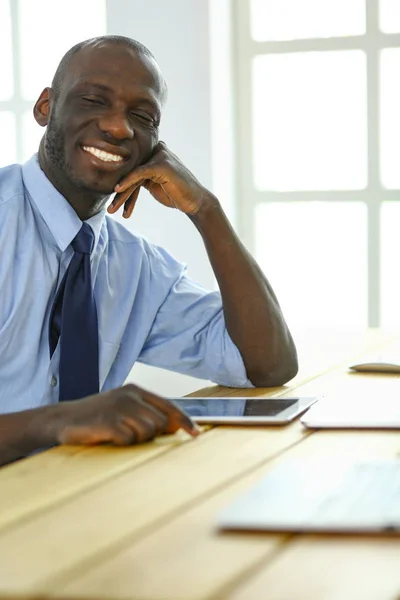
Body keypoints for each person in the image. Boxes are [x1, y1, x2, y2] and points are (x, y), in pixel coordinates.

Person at [0, 35, 298, 466]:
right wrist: (56, 422)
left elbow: (266, 366)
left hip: (71, 502)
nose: (119, 127)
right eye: (93, 100)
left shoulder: (136, 268)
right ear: (46, 107)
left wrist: (205, 209)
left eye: (142, 115)